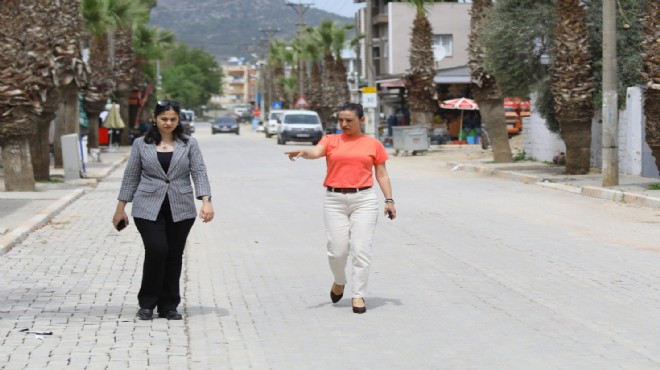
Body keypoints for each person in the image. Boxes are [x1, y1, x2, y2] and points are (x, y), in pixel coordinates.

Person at [285, 102, 397, 314]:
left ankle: (358, 295)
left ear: (362, 120)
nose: (344, 124)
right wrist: (303, 152)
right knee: (337, 251)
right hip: (334, 200)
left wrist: (389, 200)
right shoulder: (331, 140)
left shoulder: (373, 144)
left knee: (361, 249)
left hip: (364, 199)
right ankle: (339, 280)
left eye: (349, 120)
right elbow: (316, 151)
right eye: (341, 120)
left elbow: (381, 174)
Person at [112, 100, 214, 321]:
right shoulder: (141, 144)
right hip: (147, 207)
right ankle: (147, 303)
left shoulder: (189, 143)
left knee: (174, 255)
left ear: (179, 120)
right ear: (155, 119)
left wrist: (206, 201)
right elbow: (131, 176)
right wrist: (120, 208)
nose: (168, 123)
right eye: (164, 119)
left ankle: (169, 305)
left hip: (181, 208)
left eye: (173, 119)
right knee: (157, 250)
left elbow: (199, 172)